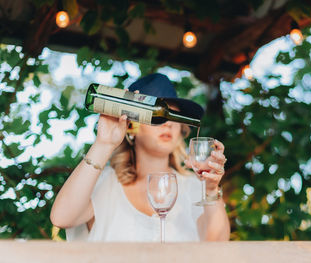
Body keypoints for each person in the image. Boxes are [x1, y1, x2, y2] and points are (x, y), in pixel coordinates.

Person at [50, 73, 230, 242]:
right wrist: (104, 143)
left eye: (173, 116)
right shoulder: (105, 184)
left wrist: (211, 190)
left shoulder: (194, 187)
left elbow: (217, 244)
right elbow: (61, 217)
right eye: (157, 117)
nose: (167, 123)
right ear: (131, 126)